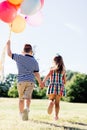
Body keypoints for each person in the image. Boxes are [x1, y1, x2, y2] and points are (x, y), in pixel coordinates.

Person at [6, 40, 44, 121]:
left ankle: (20, 114)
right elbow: (36, 73)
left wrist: (8, 45)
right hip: (30, 81)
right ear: (31, 51)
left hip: (21, 81)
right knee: (28, 97)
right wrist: (40, 83)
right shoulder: (34, 61)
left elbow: (9, 54)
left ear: (23, 50)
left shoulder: (19, 57)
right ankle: (27, 108)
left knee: (21, 99)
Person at [43, 54, 66, 120]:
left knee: (51, 99)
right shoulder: (63, 70)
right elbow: (65, 81)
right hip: (60, 87)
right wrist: (62, 84)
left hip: (52, 86)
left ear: (54, 61)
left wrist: (43, 82)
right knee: (57, 103)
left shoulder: (52, 69)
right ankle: (56, 116)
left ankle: (51, 103)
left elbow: (47, 76)